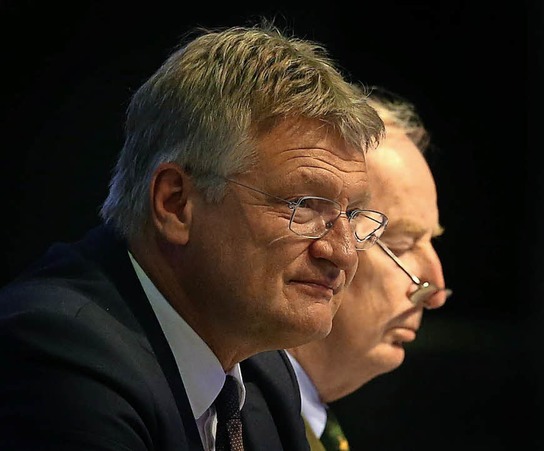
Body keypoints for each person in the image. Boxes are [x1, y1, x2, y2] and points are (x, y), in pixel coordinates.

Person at [0, 23, 389, 451]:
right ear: (175, 202)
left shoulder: (263, 376)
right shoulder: (59, 360)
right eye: (304, 204)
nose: (342, 252)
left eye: (352, 215)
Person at [285, 87, 451, 450]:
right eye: (403, 245)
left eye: (431, 242)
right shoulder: (229, 418)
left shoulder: (297, 418)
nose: (435, 290)